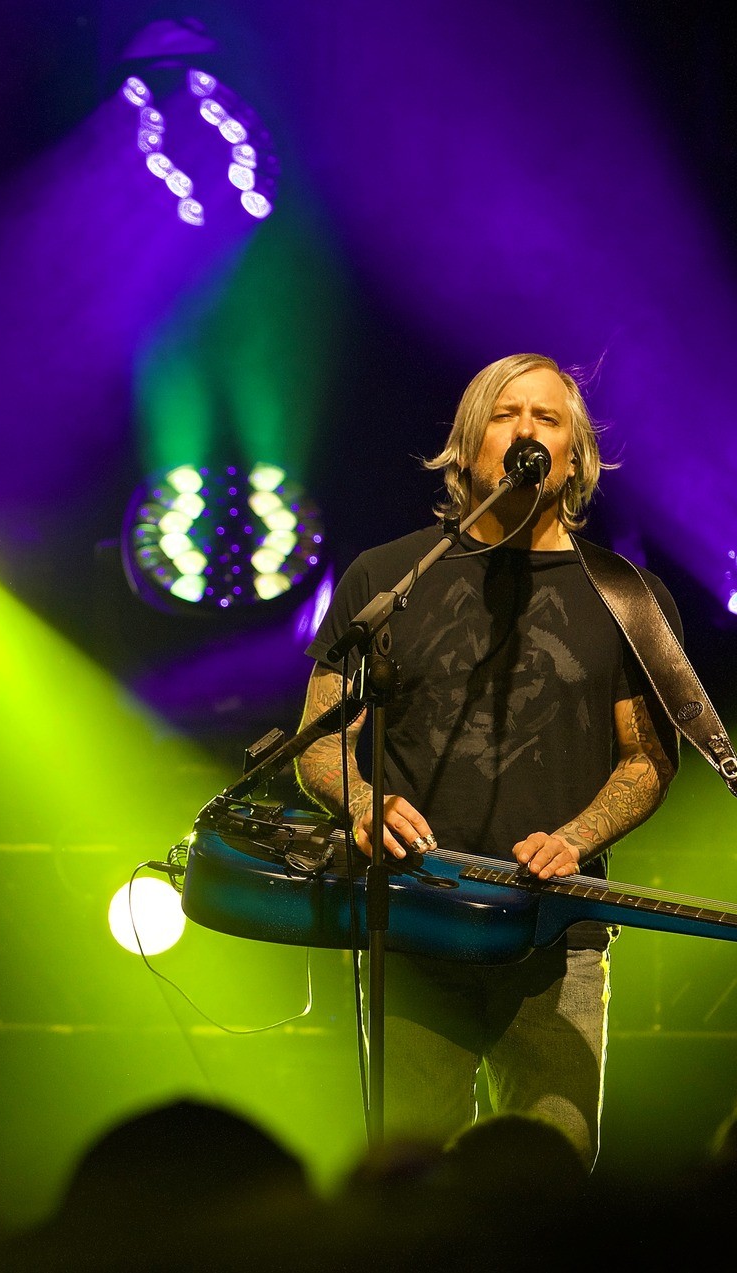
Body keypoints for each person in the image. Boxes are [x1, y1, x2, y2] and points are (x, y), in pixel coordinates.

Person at [295, 352, 679, 1163]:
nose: (526, 430)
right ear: (469, 447)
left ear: (574, 456)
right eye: (506, 415)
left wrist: (576, 837)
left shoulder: (629, 599)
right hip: (414, 923)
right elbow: (319, 738)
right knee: (406, 1181)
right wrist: (363, 803)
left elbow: (647, 758)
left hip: (555, 933)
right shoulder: (386, 578)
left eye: (548, 418)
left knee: (550, 1178)